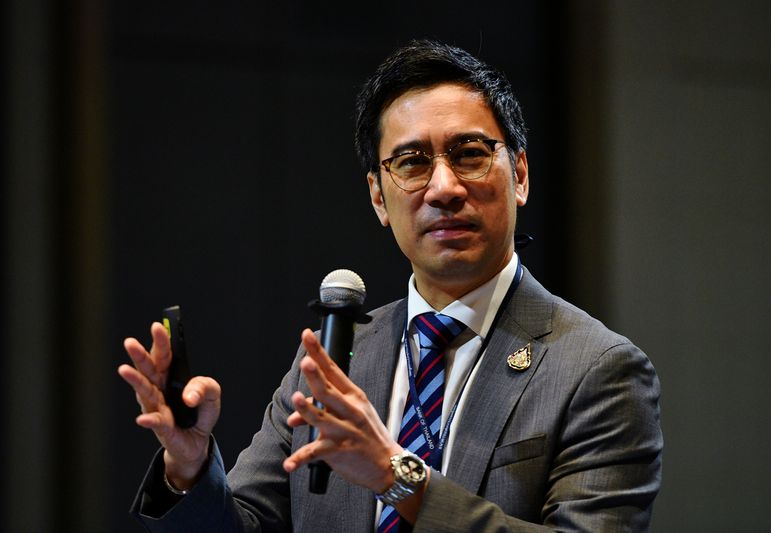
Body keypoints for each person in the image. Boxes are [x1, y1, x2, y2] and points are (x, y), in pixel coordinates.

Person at [119, 39, 662, 532]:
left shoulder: (598, 371)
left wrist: (397, 477)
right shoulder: (335, 362)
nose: (444, 187)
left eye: (469, 154)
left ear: (519, 174)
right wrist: (188, 468)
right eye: (412, 162)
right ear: (379, 197)